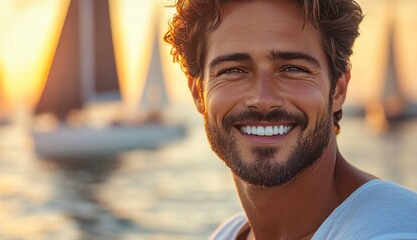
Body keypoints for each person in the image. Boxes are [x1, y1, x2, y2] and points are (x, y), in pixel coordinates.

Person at [164, 0, 417, 239]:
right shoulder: (229, 232)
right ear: (198, 93)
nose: (263, 99)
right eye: (233, 70)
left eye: (293, 69)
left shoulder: (392, 230)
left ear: (338, 89)